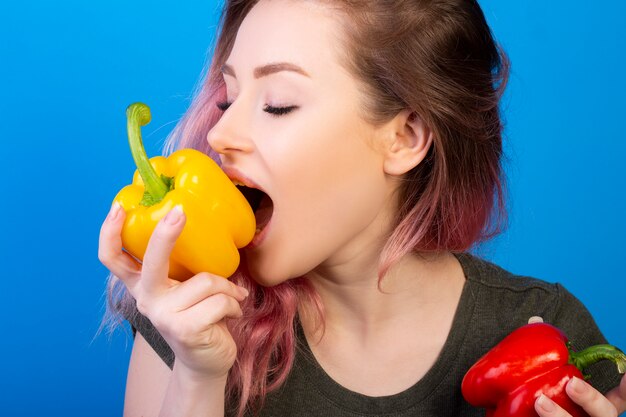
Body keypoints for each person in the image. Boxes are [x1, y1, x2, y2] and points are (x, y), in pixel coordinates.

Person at [98, 1, 626, 416]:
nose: (219, 132)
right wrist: (197, 375)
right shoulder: (186, 324)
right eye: (226, 98)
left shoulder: (546, 331)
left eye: (277, 103)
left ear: (404, 137)